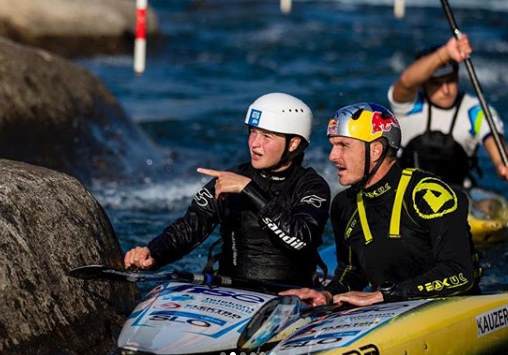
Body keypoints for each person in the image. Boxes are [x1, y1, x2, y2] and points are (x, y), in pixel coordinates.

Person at [281, 103, 480, 307]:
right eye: (333, 145)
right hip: (392, 308)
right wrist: (328, 295)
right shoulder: (344, 205)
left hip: (452, 306)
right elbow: (352, 272)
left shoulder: (427, 194)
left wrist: (384, 295)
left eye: (343, 145)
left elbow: (461, 273)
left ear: (376, 150)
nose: (332, 156)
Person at [124, 92, 331, 287]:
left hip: (290, 296)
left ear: (293, 143)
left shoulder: (312, 186)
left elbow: (300, 240)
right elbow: (192, 225)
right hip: (230, 289)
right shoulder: (230, 178)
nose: (255, 144)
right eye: (253, 132)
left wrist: (248, 190)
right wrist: (154, 253)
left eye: (267, 137)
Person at [387, 34, 508, 186]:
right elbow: (406, 82)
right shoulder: (408, 105)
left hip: (457, 196)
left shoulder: (475, 109)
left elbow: (492, 137)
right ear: (424, 83)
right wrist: (445, 54)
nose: (446, 90)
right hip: (404, 192)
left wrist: (500, 162)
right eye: (437, 83)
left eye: (450, 80)